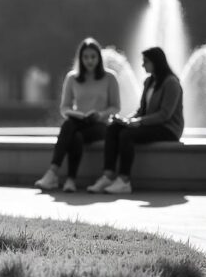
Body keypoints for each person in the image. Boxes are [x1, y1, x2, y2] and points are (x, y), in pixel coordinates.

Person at [87, 47, 184, 194]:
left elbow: (165, 115)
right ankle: (107, 175)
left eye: (146, 62)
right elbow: (142, 110)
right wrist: (126, 120)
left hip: (168, 129)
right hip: (150, 125)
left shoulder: (171, 83)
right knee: (113, 128)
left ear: (156, 62)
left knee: (127, 135)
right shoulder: (149, 82)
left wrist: (139, 122)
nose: (142, 65)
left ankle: (124, 180)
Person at [34, 38, 120, 192]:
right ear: (80, 59)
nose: (89, 61)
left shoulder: (110, 77)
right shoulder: (72, 78)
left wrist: (100, 114)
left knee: (69, 128)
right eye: (86, 57)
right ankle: (68, 179)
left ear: (99, 58)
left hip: (100, 125)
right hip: (79, 122)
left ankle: (55, 174)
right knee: (74, 132)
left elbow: (115, 107)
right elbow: (64, 107)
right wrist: (76, 114)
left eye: (93, 57)